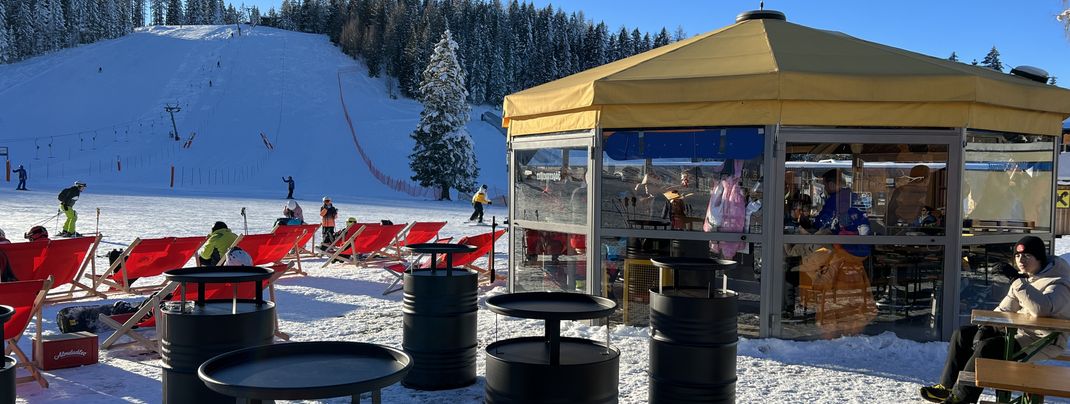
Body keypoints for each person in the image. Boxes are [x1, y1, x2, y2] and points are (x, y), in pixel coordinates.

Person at [920, 236, 1070, 404]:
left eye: (1027, 256)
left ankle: (960, 397)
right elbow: (1005, 308)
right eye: (1018, 256)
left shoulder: (1059, 283)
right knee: (963, 334)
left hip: (1043, 340)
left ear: (1039, 258)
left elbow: (1041, 310)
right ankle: (946, 387)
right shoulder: (1026, 278)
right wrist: (986, 326)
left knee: (988, 348)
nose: (1021, 260)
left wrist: (1017, 281)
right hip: (1018, 332)